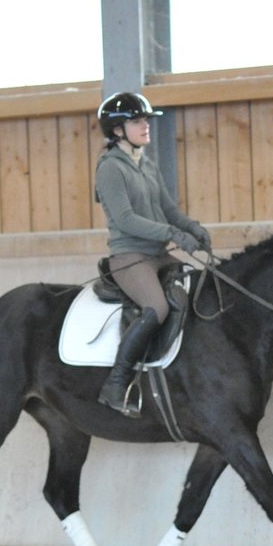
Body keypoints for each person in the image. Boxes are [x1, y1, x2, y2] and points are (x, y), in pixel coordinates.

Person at [93, 91, 212, 416]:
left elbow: (168, 209)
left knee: (197, 293)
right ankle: (116, 384)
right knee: (157, 307)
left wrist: (192, 228)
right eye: (137, 121)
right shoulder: (110, 169)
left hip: (159, 254)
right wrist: (173, 234)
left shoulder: (146, 164)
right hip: (130, 257)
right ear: (118, 131)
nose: (146, 126)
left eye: (146, 120)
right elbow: (126, 220)